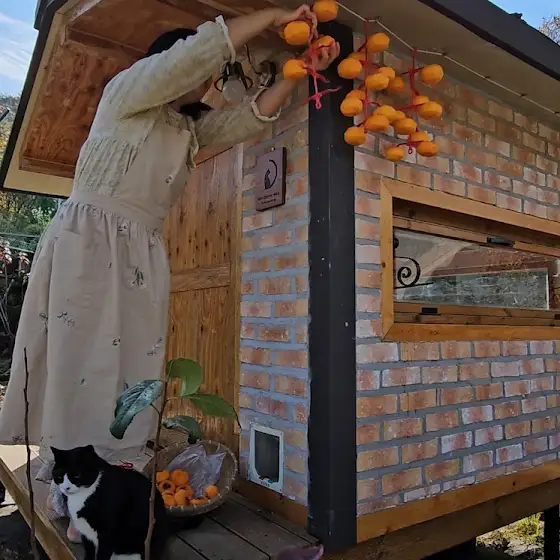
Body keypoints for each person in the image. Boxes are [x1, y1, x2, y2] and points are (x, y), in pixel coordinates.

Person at [0, 3, 340, 541]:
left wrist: (301, 71)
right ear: (167, 63)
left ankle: (104, 492)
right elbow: (195, 55)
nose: (206, 82)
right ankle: (68, 485)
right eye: (203, 71)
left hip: (139, 257)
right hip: (89, 244)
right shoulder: (124, 95)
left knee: (128, 374)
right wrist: (272, 16)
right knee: (78, 364)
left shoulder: (188, 131)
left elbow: (248, 119)